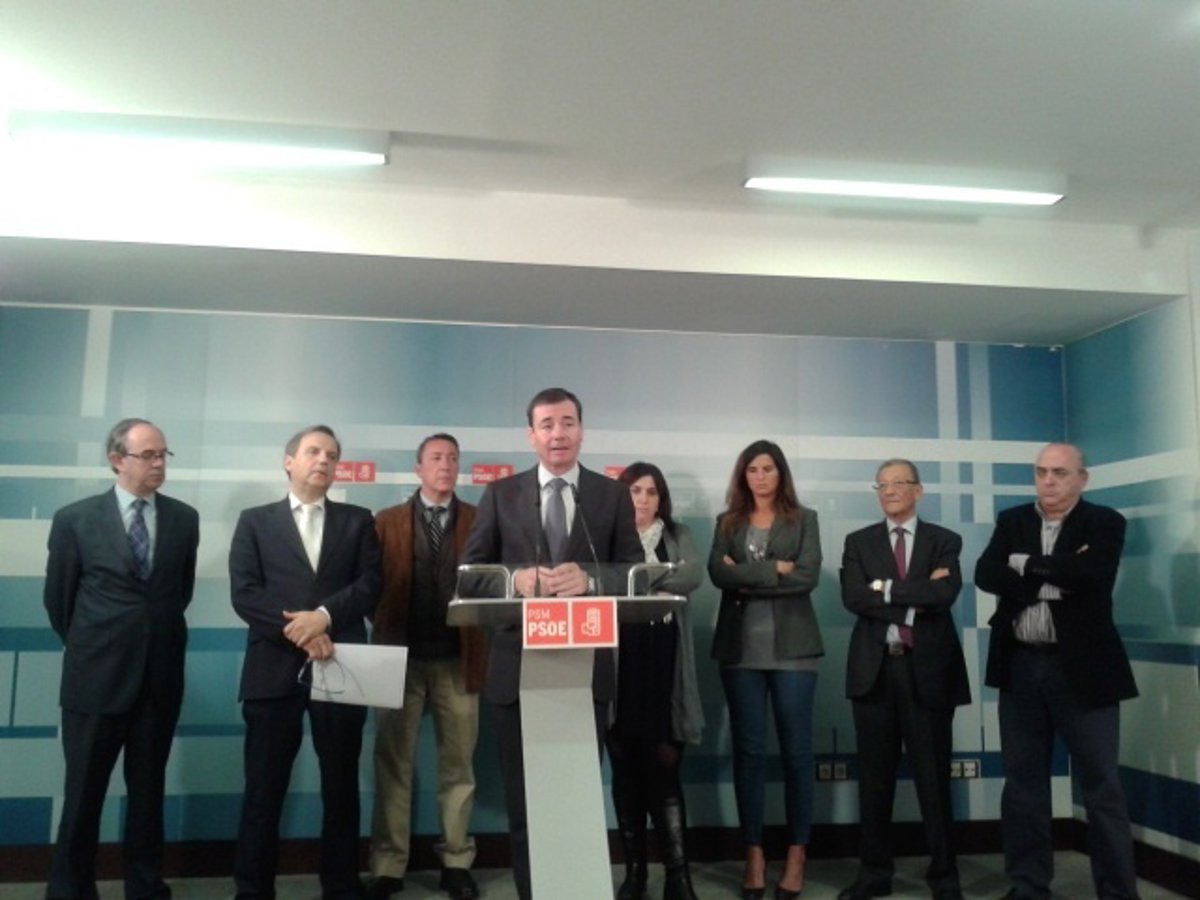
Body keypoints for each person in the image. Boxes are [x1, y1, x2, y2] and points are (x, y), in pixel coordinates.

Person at [460, 386, 642, 900]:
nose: (557, 433)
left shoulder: (610, 495)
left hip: (585, 670)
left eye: (567, 423)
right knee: (526, 803)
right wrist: (515, 579)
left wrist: (592, 579)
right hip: (517, 669)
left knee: (576, 797)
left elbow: (634, 572)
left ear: (581, 430)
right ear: (531, 435)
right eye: (547, 424)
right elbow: (470, 575)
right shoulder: (501, 494)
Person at [43, 418, 200, 900]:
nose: (159, 464)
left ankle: (145, 886)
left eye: (163, 454)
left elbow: (179, 595)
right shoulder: (75, 519)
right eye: (148, 455)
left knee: (148, 793)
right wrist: (103, 645)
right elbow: (59, 602)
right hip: (95, 680)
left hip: (158, 679)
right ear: (117, 460)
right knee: (83, 794)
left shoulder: (184, 519)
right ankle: (71, 889)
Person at [975, 443, 1140, 900]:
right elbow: (987, 574)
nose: (1048, 481)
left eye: (1060, 472)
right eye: (1041, 471)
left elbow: (1092, 576)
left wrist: (1025, 565)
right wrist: (1058, 575)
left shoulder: (1104, 522)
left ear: (1082, 478)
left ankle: (1117, 893)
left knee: (1102, 787)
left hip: (1084, 671)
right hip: (1020, 665)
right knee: (1023, 785)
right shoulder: (1012, 521)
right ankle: (1028, 887)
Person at [229, 425, 382, 900]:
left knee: (341, 786)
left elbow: (369, 584)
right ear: (289, 461)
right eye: (313, 451)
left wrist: (324, 617)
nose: (323, 460)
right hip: (273, 668)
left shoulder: (358, 521)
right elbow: (245, 593)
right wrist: (301, 631)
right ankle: (253, 890)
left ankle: (341, 886)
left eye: (332, 455)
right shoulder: (255, 521)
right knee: (263, 788)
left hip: (341, 663)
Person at [838, 459, 969, 900]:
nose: (890, 490)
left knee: (934, 781)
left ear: (919, 490)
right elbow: (854, 597)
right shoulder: (858, 542)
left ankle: (944, 878)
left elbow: (944, 594)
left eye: (899, 483)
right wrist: (915, 600)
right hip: (874, 673)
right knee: (875, 782)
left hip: (927, 672)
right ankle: (875, 874)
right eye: (882, 484)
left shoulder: (944, 540)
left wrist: (886, 588)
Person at [368, 434, 484, 900]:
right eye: (436, 458)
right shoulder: (387, 522)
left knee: (459, 767)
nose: (446, 465)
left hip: (460, 659)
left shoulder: (478, 520)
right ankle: (388, 865)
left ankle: (456, 861)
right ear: (418, 469)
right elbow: (368, 586)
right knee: (393, 764)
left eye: (453, 458)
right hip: (399, 659)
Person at [709, 439, 823, 900]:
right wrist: (777, 569)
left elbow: (807, 577)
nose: (760, 477)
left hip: (794, 651)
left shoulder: (805, 519)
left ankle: (797, 853)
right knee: (749, 753)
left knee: (797, 753)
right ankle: (753, 853)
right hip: (741, 652)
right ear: (743, 475)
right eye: (752, 469)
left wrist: (747, 575)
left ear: (781, 473)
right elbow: (718, 574)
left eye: (768, 468)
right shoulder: (727, 522)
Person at [610, 462, 705, 900]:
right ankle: (635, 874)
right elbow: (602, 579)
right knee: (626, 770)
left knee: (665, 767)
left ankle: (677, 876)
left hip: (666, 662)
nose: (643, 500)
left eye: (651, 492)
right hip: (621, 662)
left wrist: (636, 579)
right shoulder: (609, 534)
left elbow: (692, 575)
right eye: (635, 491)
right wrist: (659, 579)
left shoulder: (678, 534)